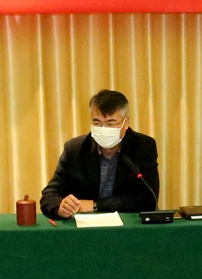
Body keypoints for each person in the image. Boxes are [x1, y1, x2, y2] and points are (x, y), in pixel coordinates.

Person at [41, 89, 159, 219]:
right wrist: (60, 207)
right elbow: (49, 195)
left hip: (127, 225)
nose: (103, 130)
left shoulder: (143, 147)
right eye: (97, 123)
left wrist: (95, 205)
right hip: (85, 226)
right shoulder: (75, 150)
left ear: (126, 123)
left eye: (110, 123)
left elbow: (148, 199)